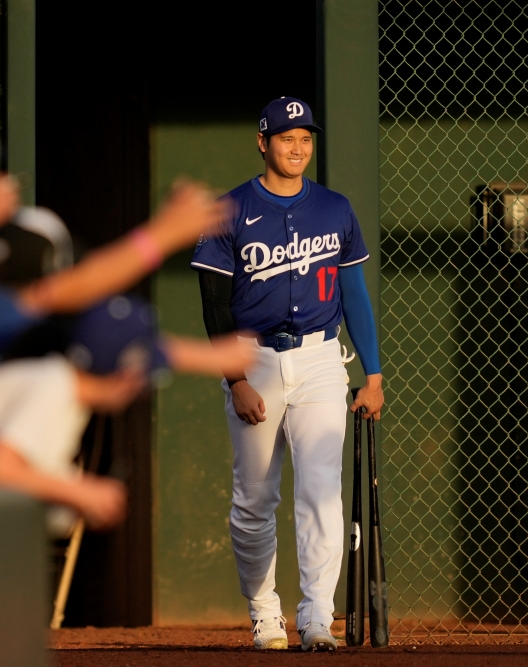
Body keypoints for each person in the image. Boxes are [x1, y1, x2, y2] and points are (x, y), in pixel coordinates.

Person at [191, 97, 385, 651]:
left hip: (323, 358)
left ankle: (318, 617)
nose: (297, 148)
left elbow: (354, 295)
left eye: (305, 138)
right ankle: (264, 612)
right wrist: (236, 381)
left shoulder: (334, 208)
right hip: (253, 360)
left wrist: (373, 373)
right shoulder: (228, 211)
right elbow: (214, 307)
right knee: (254, 498)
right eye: (286, 138)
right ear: (263, 142)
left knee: (322, 492)